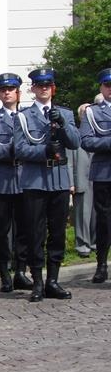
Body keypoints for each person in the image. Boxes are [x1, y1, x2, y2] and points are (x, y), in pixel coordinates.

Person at [14, 68, 80, 301]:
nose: (44, 89)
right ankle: (38, 282)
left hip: (59, 181)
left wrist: (62, 123)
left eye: (48, 85)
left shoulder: (65, 113)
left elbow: (75, 142)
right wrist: (44, 151)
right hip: (35, 181)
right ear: (33, 88)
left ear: (53, 88)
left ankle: (53, 280)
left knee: (58, 233)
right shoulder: (23, 116)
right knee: (35, 233)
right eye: (39, 85)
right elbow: (20, 149)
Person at [0, 73, 33, 292]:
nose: (7, 93)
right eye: (3, 90)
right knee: (1, 230)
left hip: (25, 177)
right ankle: (4, 272)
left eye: (10, 89)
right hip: (0, 179)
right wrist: (11, 149)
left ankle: (21, 271)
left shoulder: (28, 116)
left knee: (24, 228)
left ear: (18, 92)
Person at [79, 68, 111, 283]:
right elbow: (86, 140)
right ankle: (101, 265)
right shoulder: (93, 112)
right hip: (104, 172)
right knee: (104, 221)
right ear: (101, 87)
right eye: (107, 85)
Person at [69, 108, 96, 258]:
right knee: (82, 215)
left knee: (97, 214)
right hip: (81, 179)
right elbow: (69, 161)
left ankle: (95, 243)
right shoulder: (75, 135)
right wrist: (71, 182)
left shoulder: (100, 133)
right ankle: (82, 246)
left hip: (98, 179)